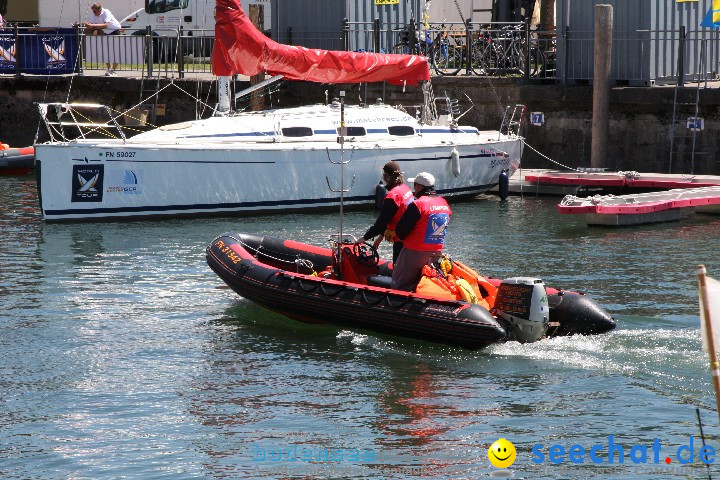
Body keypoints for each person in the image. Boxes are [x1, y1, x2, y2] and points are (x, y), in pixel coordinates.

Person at [391, 172, 452, 292]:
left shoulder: (418, 204)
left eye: (415, 185)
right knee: (425, 283)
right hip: (435, 254)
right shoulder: (444, 204)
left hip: (414, 253)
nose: (414, 189)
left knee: (400, 285)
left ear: (420, 187)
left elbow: (400, 230)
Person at [355, 161, 414, 263]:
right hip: (411, 236)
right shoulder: (405, 189)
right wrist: (379, 239)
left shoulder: (393, 197)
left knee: (398, 270)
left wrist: (364, 238)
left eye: (384, 175)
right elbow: (393, 217)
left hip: (401, 241)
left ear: (388, 177)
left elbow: (381, 223)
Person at [82, 3, 121, 75]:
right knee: (106, 51)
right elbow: (92, 24)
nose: (93, 13)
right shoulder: (94, 14)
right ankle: (109, 69)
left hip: (115, 30)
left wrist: (92, 25)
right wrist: (87, 25)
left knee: (115, 51)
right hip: (106, 32)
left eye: (95, 11)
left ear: (99, 10)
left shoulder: (106, 12)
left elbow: (106, 25)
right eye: (93, 11)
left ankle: (113, 70)